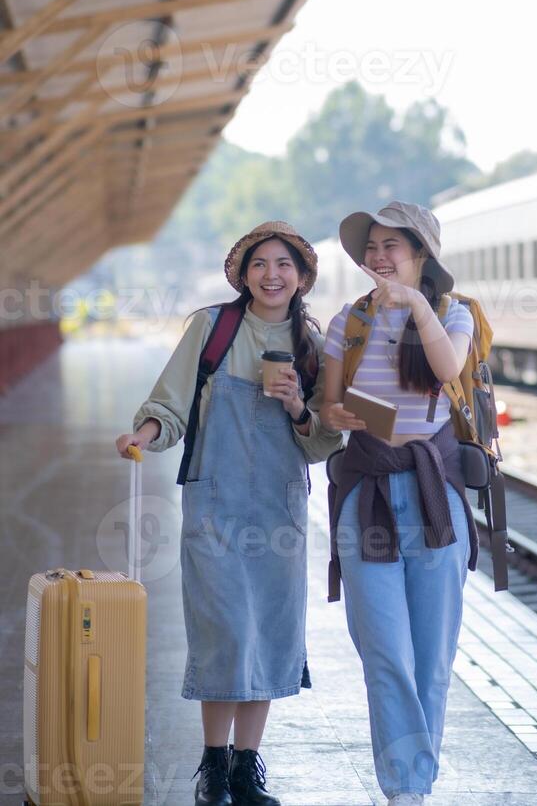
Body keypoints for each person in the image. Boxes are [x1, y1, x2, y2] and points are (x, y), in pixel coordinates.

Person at [116, 221, 343, 806]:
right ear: (243, 274)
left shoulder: (314, 348)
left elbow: (321, 444)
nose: (272, 274)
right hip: (213, 505)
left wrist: (297, 404)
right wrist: (140, 434)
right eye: (260, 264)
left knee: (267, 632)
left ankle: (247, 769)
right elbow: (170, 401)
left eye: (283, 264)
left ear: (301, 276)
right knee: (224, 631)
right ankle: (213, 768)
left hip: (279, 508)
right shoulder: (211, 329)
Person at [320, 201, 480, 806]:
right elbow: (330, 409)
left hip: (433, 496)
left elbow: (447, 368)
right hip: (367, 496)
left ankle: (414, 784)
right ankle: (405, 790)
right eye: (372, 247)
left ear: (421, 256)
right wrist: (334, 413)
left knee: (432, 657)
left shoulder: (451, 313)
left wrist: (414, 306)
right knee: (385, 650)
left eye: (393, 246)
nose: (378, 257)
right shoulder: (348, 321)